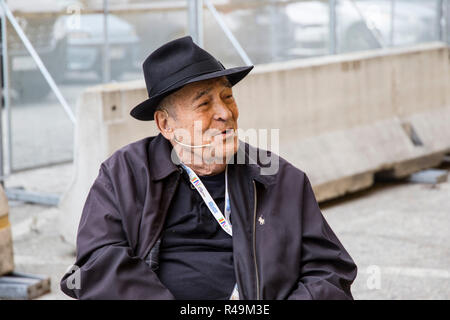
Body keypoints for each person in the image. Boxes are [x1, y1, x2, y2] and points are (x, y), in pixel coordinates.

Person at [60, 36, 357, 300]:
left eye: (228, 97)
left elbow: (330, 271)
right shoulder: (125, 174)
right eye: (204, 104)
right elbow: (97, 264)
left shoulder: (277, 178)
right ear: (166, 124)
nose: (225, 113)